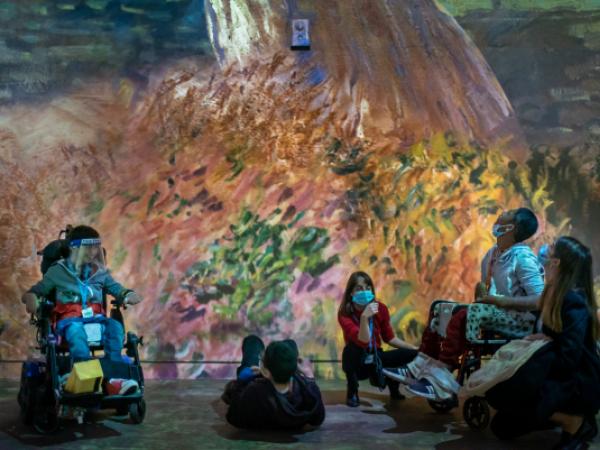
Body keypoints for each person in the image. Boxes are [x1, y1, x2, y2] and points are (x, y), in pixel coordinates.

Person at [384, 208, 545, 400]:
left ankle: (443, 375)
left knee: (467, 313)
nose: (501, 213)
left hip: (520, 321)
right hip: (498, 313)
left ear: (512, 227)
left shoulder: (523, 258)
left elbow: (538, 300)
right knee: (440, 307)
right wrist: (486, 296)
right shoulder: (493, 255)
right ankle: (419, 366)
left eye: (508, 213)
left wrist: (498, 301)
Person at [485, 236, 600, 449]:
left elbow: (569, 357)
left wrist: (533, 370)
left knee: (515, 397)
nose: (546, 251)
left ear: (557, 262)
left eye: (552, 249)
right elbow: (555, 336)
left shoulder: (574, 300)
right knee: (501, 427)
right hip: (559, 371)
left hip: (575, 379)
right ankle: (558, 416)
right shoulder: (554, 292)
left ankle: (576, 422)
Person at [21, 225, 142, 382]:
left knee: (115, 327)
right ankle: (85, 377)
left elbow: (116, 288)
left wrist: (127, 295)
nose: (93, 253)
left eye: (95, 248)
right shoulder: (58, 271)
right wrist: (31, 297)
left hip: (96, 317)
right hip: (69, 320)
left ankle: (114, 378)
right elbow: (37, 290)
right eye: (88, 248)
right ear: (75, 249)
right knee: (77, 332)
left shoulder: (99, 272)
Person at [338, 271, 418, 407]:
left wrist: (413, 349)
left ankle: (394, 384)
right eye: (359, 288)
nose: (364, 291)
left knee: (411, 354)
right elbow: (363, 340)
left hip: (376, 355)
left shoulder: (381, 309)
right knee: (349, 352)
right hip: (359, 360)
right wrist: (364, 317)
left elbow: (390, 338)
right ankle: (352, 391)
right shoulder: (345, 314)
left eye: (368, 287)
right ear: (351, 293)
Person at [222, 335, 325, 430]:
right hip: (282, 381)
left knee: (253, 341)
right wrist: (309, 376)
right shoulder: (302, 392)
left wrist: (243, 380)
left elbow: (233, 417)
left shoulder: (254, 392)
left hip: (259, 388)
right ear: (294, 370)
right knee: (290, 343)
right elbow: (318, 418)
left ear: (266, 372)